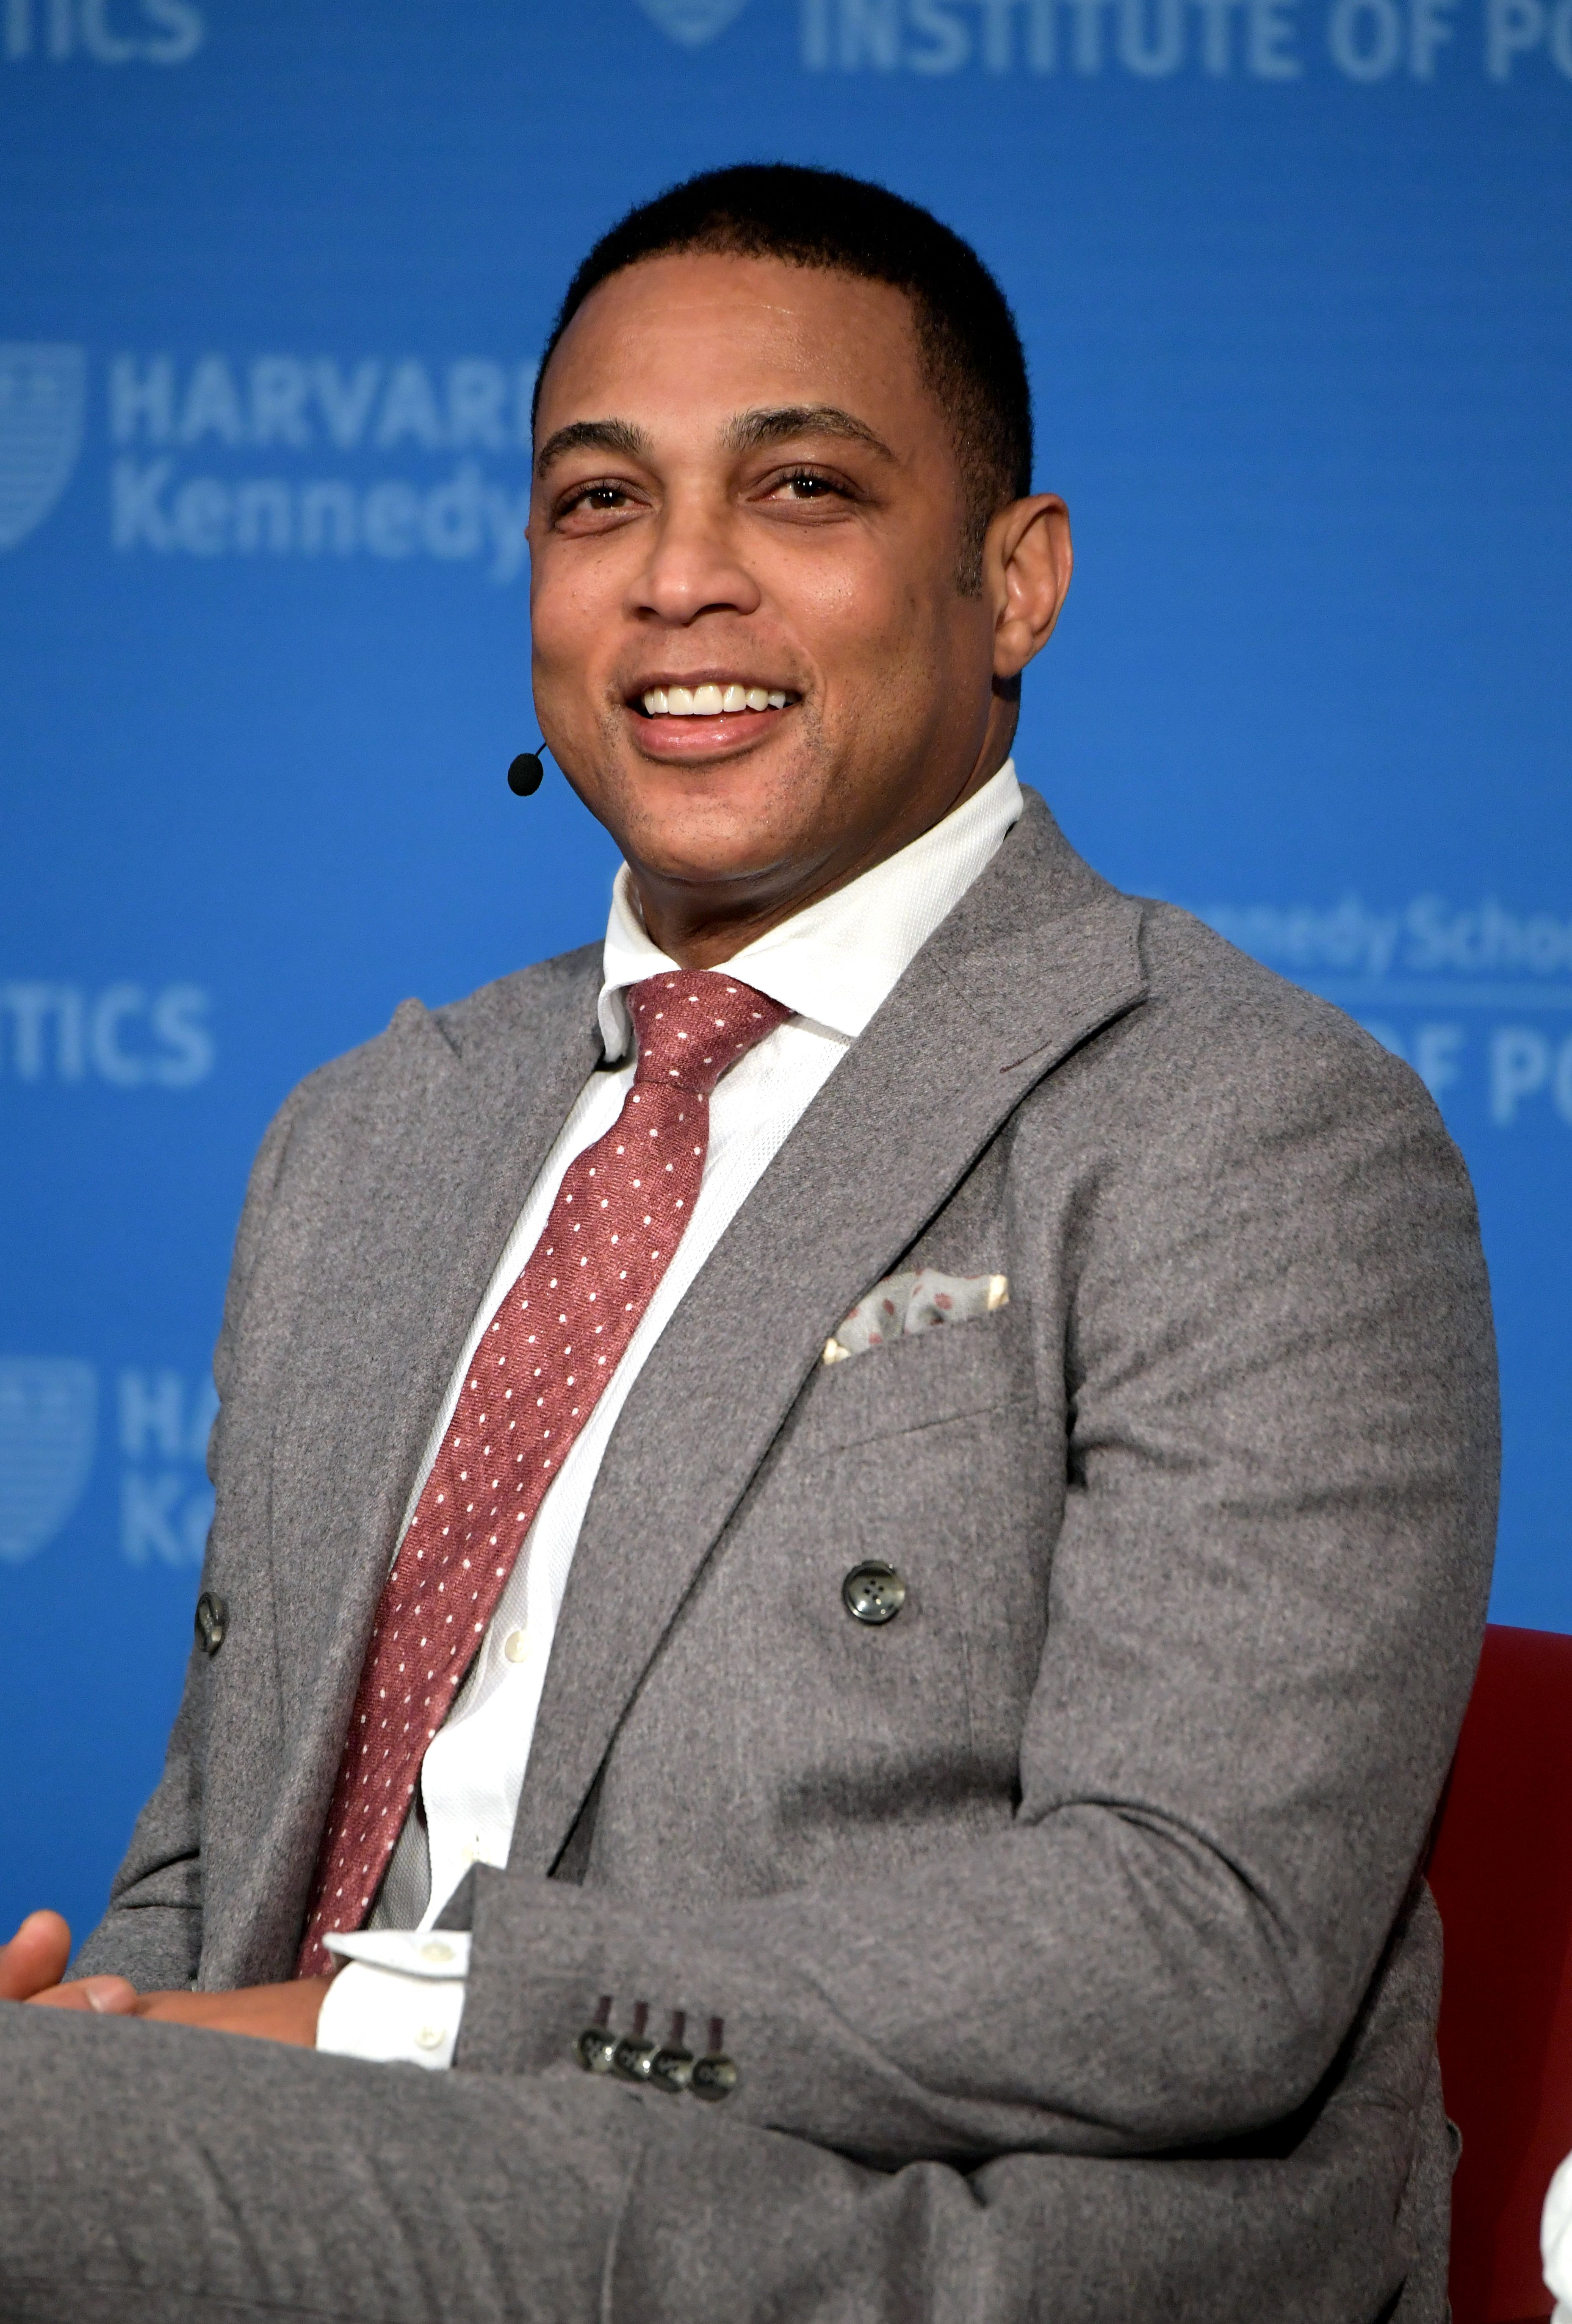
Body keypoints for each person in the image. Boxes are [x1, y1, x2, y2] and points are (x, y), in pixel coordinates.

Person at [0, 164, 1497, 2323]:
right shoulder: (370, 1135)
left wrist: (405, 2023)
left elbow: (1198, 1949)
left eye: (800, 491)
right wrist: (110, 2051)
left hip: (897, 2234)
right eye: (598, 503)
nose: (679, 582)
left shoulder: (1245, 1125)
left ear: (1014, 583)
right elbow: (208, 1861)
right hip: (343, 2180)